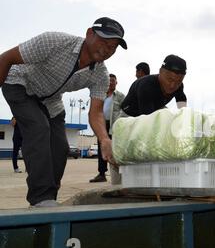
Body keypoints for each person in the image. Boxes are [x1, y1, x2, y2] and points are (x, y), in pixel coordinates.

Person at [0, 17, 127, 207]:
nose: (107, 49)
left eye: (113, 47)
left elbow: (96, 113)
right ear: (89, 34)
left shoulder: (100, 74)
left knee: (60, 148)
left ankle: (49, 198)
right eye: (104, 41)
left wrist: (104, 139)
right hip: (19, 84)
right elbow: (6, 58)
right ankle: (40, 198)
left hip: (51, 101)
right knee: (39, 128)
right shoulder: (54, 42)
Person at [121, 54, 187, 117]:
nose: (172, 85)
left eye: (178, 82)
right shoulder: (146, 85)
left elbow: (182, 108)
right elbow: (147, 119)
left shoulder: (179, 86)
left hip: (153, 109)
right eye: (169, 80)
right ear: (160, 72)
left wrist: (184, 117)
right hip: (128, 114)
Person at [89, 73, 125, 183]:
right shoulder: (101, 95)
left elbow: (125, 110)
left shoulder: (120, 96)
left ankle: (119, 172)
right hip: (102, 125)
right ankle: (101, 173)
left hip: (114, 126)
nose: (110, 83)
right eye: (109, 81)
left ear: (116, 82)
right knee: (101, 149)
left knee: (115, 149)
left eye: (113, 81)